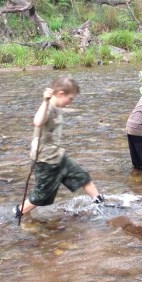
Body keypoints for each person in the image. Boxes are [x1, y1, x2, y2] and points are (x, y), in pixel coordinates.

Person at [15, 76, 104, 221]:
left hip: (58, 156)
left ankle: (99, 201)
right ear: (61, 94)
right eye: (70, 98)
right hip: (45, 160)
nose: (71, 102)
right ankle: (18, 211)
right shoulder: (48, 107)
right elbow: (38, 121)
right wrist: (45, 101)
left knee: (81, 175)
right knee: (41, 196)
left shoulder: (57, 107)